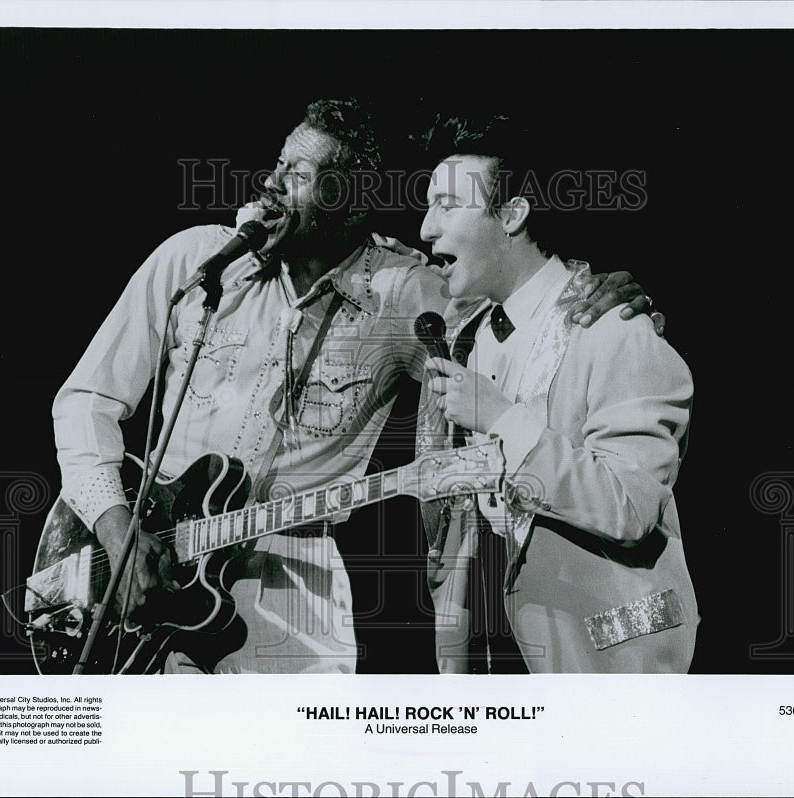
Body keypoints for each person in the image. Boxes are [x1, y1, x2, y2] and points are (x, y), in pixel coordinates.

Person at [51, 98, 652, 674]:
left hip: (292, 608)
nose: (271, 182)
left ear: (349, 202)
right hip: (142, 569)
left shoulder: (405, 293)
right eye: (279, 163)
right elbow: (85, 400)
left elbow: (522, 301)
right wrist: (113, 526)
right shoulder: (196, 263)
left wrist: (599, 299)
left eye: (299, 174)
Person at [419, 116, 698, 673]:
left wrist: (503, 421)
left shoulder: (614, 326)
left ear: (514, 214)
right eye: (428, 207)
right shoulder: (468, 337)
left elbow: (631, 507)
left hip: (607, 665)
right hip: (493, 660)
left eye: (448, 206)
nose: (426, 228)